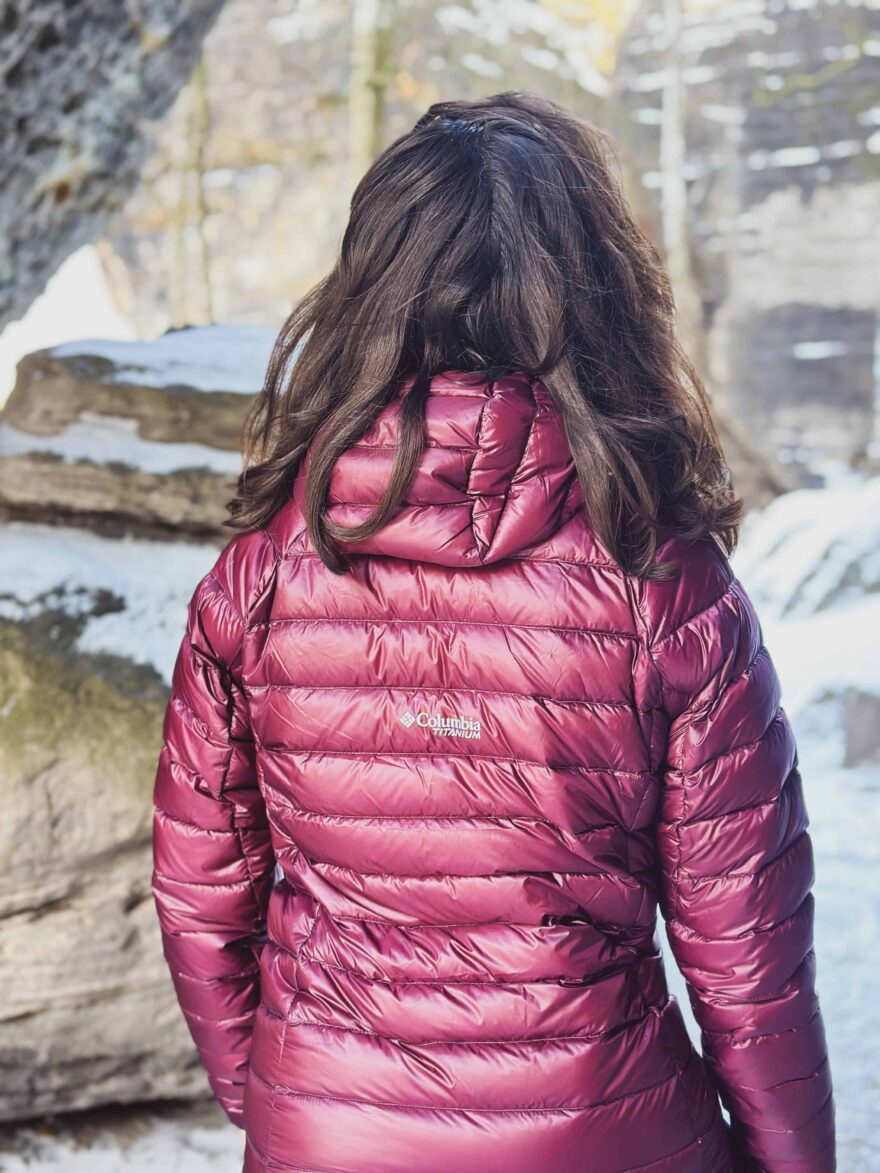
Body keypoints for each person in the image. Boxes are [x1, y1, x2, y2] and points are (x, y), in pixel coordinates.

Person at [151, 92, 835, 1173]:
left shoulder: (261, 577)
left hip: (331, 1129)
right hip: (609, 1132)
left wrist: (282, 1096)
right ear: (598, 288)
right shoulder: (665, 585)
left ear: (368, 287)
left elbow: (201, 893)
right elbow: (749, 952)